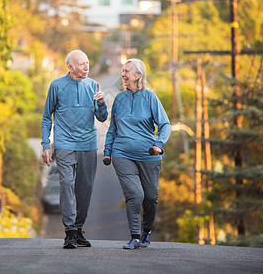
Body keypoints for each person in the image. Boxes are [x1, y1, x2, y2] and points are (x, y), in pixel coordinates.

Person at [41, 49, 108, 249]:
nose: (86, 67)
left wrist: (102, 104)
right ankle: (69, 231)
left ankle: (78, 229)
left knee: (84, 189)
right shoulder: (57, 86)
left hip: (88, 144)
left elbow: (102, 118)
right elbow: (46, 117)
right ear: (70, 67)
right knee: (67, 184)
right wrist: (46, 144)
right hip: (65, 144)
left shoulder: (93, 85)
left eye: (87, 63)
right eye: (81, 64)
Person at [103, 58, 171, 249]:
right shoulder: (119, 99)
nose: (123, 74)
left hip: (149, 154)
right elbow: (112, 129)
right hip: (121, 153)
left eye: (126, 71)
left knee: (150, 197)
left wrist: (159, 144)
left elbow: (165, 125)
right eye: (122, 71)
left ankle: (146, 232)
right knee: (135, 193)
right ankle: (134, 236)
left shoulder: (150, 98)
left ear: (138, 75)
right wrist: (107, 151)